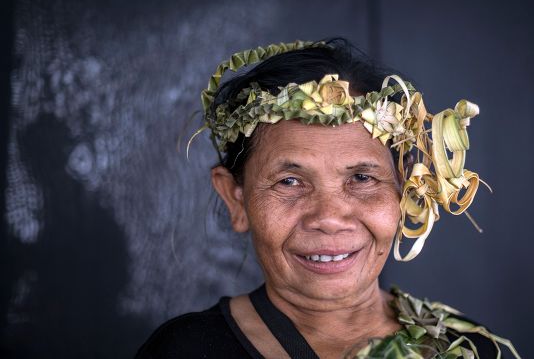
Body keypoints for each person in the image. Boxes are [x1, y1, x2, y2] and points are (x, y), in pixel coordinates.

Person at [135, 39, 521, 358]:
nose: (330, 217)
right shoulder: (184, 351)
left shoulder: (469, 350)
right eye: (289, 182)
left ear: (407, 190)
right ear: (236, 199)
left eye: (362, 178)